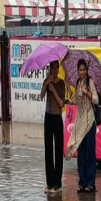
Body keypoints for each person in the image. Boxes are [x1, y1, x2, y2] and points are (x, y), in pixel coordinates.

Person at [65, 58, 99, 193]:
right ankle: (82, 182)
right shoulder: (78, 83)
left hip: (89, 121)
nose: (82, 72)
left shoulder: (90, 83)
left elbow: (96, 100)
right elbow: (74, 101)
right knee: (81, 152)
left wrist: (87, 92)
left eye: (84, 69)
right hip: (79, 122)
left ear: (87, 70)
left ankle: (91, 183)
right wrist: (71, 92)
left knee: (90, 152)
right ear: (78, 71)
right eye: (80, 70)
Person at [40, 61, 66, 193]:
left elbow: (61, 104)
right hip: (48, 117)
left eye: (56, 67)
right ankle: (49, 183)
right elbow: (41, 96)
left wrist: (53, 90)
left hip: (57, 118)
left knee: (58, 150)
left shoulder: (61, 83)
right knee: (48, 150)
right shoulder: (47, 81)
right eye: (52, 67)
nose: (54, 70)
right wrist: (46, 84)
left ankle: (57, 183)